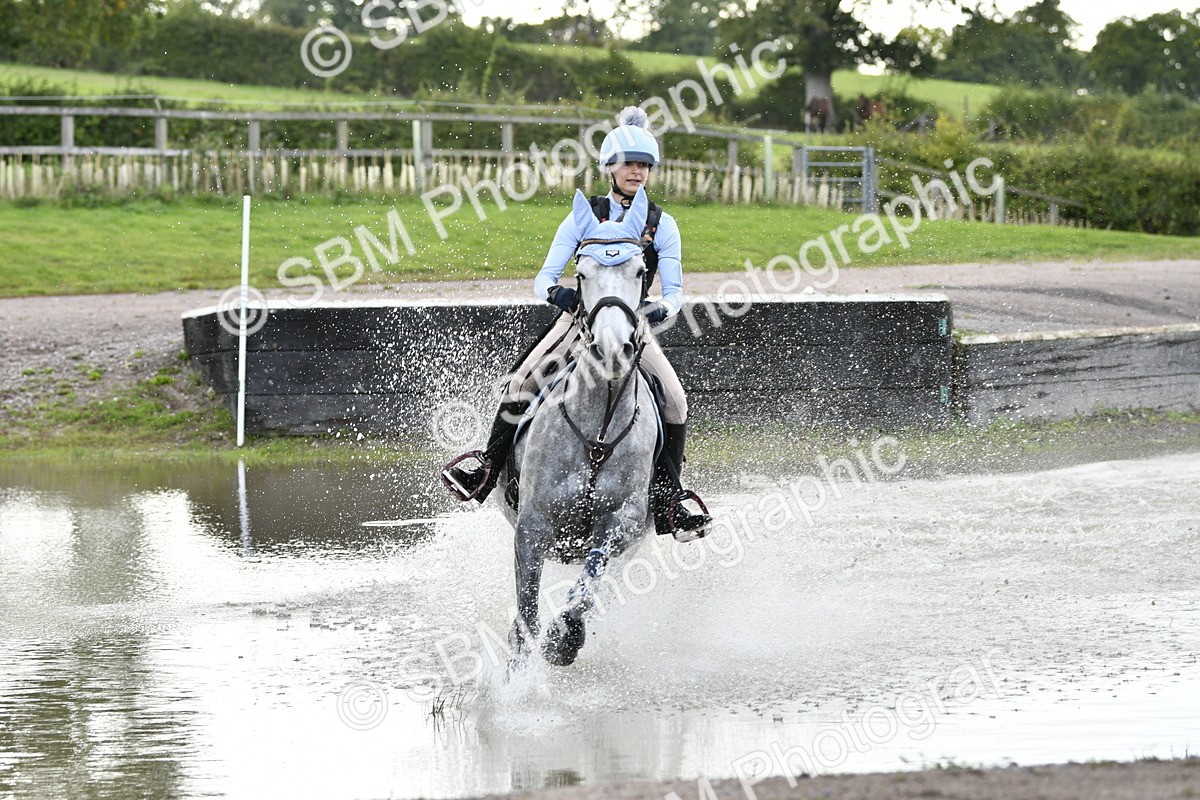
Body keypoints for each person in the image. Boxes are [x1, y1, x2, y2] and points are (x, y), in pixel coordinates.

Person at [442, 105, 711, 538]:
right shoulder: (583, 215)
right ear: (609, 167)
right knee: (521, 384)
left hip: (634, 327)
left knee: (676, 401)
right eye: (629, 164)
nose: (637, 172)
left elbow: (676, 292)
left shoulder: (662, 223)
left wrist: (661, 309)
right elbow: (543, 279)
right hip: (578, 324)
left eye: (644, 165)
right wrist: (564, 296)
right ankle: (488, 468)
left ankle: (668, 498)